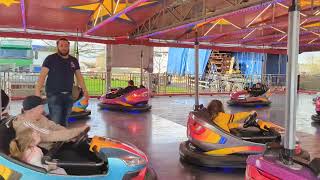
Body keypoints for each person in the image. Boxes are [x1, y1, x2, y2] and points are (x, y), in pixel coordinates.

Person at [35, 38, 89, 126]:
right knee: (56, 121)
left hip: (68, 95)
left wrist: (85, 90)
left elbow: (79, 76)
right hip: (54, 94)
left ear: (69, 46)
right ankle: (56, 138)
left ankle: (62, 138)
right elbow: (42, 76)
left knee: (65, 120)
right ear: (57, 46)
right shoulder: (50, 59)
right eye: (61, 45)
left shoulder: (73, 60)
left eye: (66, 46)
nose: (64, 48)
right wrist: (37, 92)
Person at [13, 96, 89, 150]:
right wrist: (78, 130)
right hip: (44, 153)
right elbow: (50, 135)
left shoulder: (39, 117)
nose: (43, 110)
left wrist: (71, 136)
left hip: (55, 147)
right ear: (31, 111)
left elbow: (54, 126)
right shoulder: (26, 124)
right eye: (40, 108)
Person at [207, 100, 276, 132]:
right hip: (227, 138)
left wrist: (239, 125)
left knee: (242, 130)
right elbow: (236, 116)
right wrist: (249, 113)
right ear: (220, 108)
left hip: (223, 134)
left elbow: (227, 125)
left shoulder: (213, 117)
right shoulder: (221, 116)